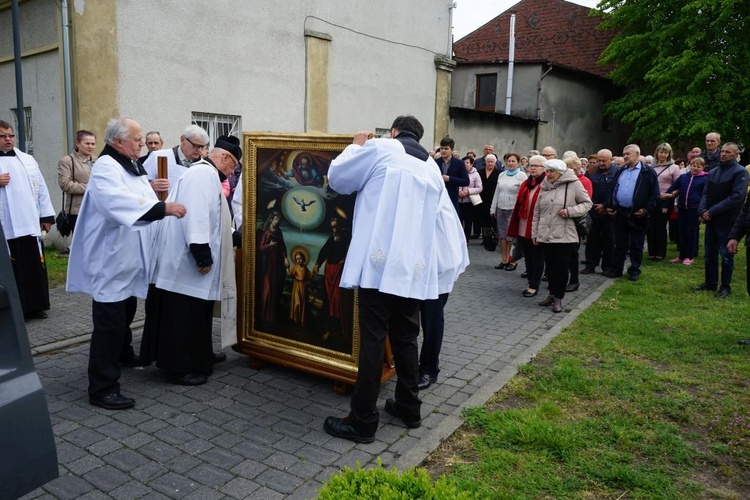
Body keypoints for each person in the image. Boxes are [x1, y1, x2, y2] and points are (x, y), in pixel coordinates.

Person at [323, 115, 468, 443]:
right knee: (405, 337)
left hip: (379, 266)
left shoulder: (381, 148)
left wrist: (354, 146)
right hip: (413, 270)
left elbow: (338, 179)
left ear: (394, 131)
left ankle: (362, 420)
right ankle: (408, 406)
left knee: (373, 340)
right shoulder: (431, 165)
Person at [66, 117, 187, 410]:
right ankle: (102, 387)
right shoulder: (107, 166)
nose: (143, 144)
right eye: (137, 139)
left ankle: (122, 353)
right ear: (118, 142)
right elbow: (115, 202)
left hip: (129, 260)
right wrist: (162, 207)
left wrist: (150, 185)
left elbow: (134, 192)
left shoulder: (128, 165)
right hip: (112, 260)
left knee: (125, 313)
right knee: (108, 323)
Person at [140, 135, 241, 386]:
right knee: (183, 318)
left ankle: (199, 355)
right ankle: (178, 368)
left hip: (189, 264)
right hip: (185, 264)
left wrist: (237, 237)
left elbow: (215, 219)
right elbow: (194, 217)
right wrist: (201, 254)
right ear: (225, 158)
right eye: (233, 166)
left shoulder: (205, 175)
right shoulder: (202, 176)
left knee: (197, 315)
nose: (232, 173)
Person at [0, 119, 55, 320]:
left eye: (11, 135)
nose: (8, 139)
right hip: (5, 227)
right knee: (11, 269)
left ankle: (35, 306)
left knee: (32, 267)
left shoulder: (27, 160)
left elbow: (40, 188)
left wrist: (46, 216)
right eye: (3, 136)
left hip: (28, 224)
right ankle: (14, 309)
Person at [532, 159, 591, 313]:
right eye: (548, 170)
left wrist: (570, 211)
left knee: (561, 267)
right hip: (545, 234)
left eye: (552, 171)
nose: (548, 174)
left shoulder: (573, 184)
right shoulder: (544, 185)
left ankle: (559, 298)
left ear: (560, 172)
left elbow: (587, 203)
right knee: (550, 266)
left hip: (565, 235)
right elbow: (537, 211)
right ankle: (551, 294)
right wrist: (535, 232)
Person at [693, 142, 748, 298]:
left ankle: (725, 286)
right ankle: (710, 283)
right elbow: (705, 193)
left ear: (736, 155)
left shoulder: (740, 172)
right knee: (709, 254)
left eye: (727, 152)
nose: (723, 154)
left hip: (727, 220)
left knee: (726, 255)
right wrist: (702, 210)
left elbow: (736, 197)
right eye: (722, 151)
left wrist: (712, 211)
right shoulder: (714, 171)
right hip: (711, 219)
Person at [604, 144, 660, 281]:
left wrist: (646, 209)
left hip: (637, 214)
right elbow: (614, 189)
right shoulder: (621, 170)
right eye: (624, 154)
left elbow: (655, 195)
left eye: (628, 154)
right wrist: (612, 205)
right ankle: (617, 269)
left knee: (636, 244)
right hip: (621, 212)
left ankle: (634, 270)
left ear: (637, 154)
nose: (625, 156)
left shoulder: (647, 172)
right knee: (620, 244)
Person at [508, 155, 547, 298]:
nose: (533, 168)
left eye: (537, 166)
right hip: (523, 225)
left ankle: (534, 285)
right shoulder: (526, 183)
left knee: (537, 256)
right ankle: (531, 280)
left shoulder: (546, 184)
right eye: (531, 165)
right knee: (528, 256)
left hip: (537, 226)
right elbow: (519, 203)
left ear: (544, 169)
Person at [142, 124, 210, 195]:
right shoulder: (157, 157)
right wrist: (150, 187)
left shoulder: (204, 166)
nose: (199, 150)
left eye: (202, 147)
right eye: (195, 146)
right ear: (182, 139)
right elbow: (138, 186)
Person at [583, 149, 620, 275]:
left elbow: (616, 191)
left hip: (609, 212)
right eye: (599, 160)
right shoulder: (591, 171)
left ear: (610, 159)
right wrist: (595, 205)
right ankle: (590, 264)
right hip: (594, 212)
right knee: (592, 240)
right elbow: (586, 190)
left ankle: (607, 266)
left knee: (609, 240)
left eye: (604, 161)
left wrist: (605, 206)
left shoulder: (617, 172)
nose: (601, 163)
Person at [664, 157, 707, 265]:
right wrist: (665, 197)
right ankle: (681, 255)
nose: (695, 168)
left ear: (703, 167)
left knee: (691, 233)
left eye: (698, 166)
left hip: (694, 209)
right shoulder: (683, 177)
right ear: (690, 165)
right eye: (693, 165)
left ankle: (690, 256)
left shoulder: (705, 179)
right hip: (682, 209)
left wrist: (702, 211)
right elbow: (672, 188)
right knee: (682, 232)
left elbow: (706, 195)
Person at [57, 130, 96, 247]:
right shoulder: (67, 161)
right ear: (78, 143)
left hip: (97, 209)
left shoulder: (98, 161)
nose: (90, 147)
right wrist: (90, 187)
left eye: (93, 144)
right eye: (87, 143)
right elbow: (65, 184)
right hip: (77, 210)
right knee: (82, 245)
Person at [490, 152, 527, 270]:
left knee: (511, 235)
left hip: (513, 209)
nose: (511, 163)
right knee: (501, 234)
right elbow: (497, 192)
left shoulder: (522, 176)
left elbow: (523, 195)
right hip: (501, 207)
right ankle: (504, 259)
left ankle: (512, 260)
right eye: (509, 161)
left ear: (518, 163)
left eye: (513, 161)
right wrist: (493, 208)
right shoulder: (501, 175)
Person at [562, 152, 592, 292]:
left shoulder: (583, 181)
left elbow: (586, 203)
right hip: (561, 222)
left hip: (575, 222)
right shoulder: (562, 180)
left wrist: (570, 210)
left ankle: (574, 279)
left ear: (574, 169)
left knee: (573, 253)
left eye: (566, 168)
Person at [646, 143, 681, 261]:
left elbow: (678, 185)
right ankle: (651, 252)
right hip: (652, 199)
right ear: (657, 153)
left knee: (660, 226)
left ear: (669, 154)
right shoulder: (651, 167)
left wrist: (671, 195)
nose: (663, 154)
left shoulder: (674, 167)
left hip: (665, 200)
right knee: (650, 226)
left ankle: (660, 253)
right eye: (661, 152)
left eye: (665, 152)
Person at [258, 211, 288, 323]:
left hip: (277, 264)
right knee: (268, 289)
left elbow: (282, 247)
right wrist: (269, 245)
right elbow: (260, 248)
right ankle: (263, 315)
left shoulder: (279, 232)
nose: (277, 221)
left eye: (279, 220)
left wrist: (285, 257)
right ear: (271, 219)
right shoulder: (266, 232)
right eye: (276, 219)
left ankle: (271, 317)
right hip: (267, 264)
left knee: (274, 289)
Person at [435, 136, 469, 211]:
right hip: (437, 198)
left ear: (452, 150)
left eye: (446, 148)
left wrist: (449, 179)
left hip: (452, 199)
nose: (443, 151)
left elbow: (466, 181)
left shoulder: (459, 163)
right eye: (441, 148)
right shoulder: (435, 162)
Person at [457, 155, 483, 242]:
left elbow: (479, 188)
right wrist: (459, 192)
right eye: (463, 162)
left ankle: (466, 240)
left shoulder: (475, 174)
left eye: (467, 163)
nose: (465, 164)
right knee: (458, 221)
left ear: (471, 164)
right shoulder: (458, 172)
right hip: (458, 200)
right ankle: (458, 239)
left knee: (468, 222)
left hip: (469, 201)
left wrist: (468, 191)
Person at [477, 154, 501, 241]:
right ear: (485, 162)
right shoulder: (479, 172)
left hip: (493, 198)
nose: (490, 163)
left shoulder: (499, 173)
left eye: (492, 162)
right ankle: (485, 238)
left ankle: (494, 237)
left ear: (495, 163)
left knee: (492, 219)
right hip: (481, 198)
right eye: (488, 162)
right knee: (482, 218)